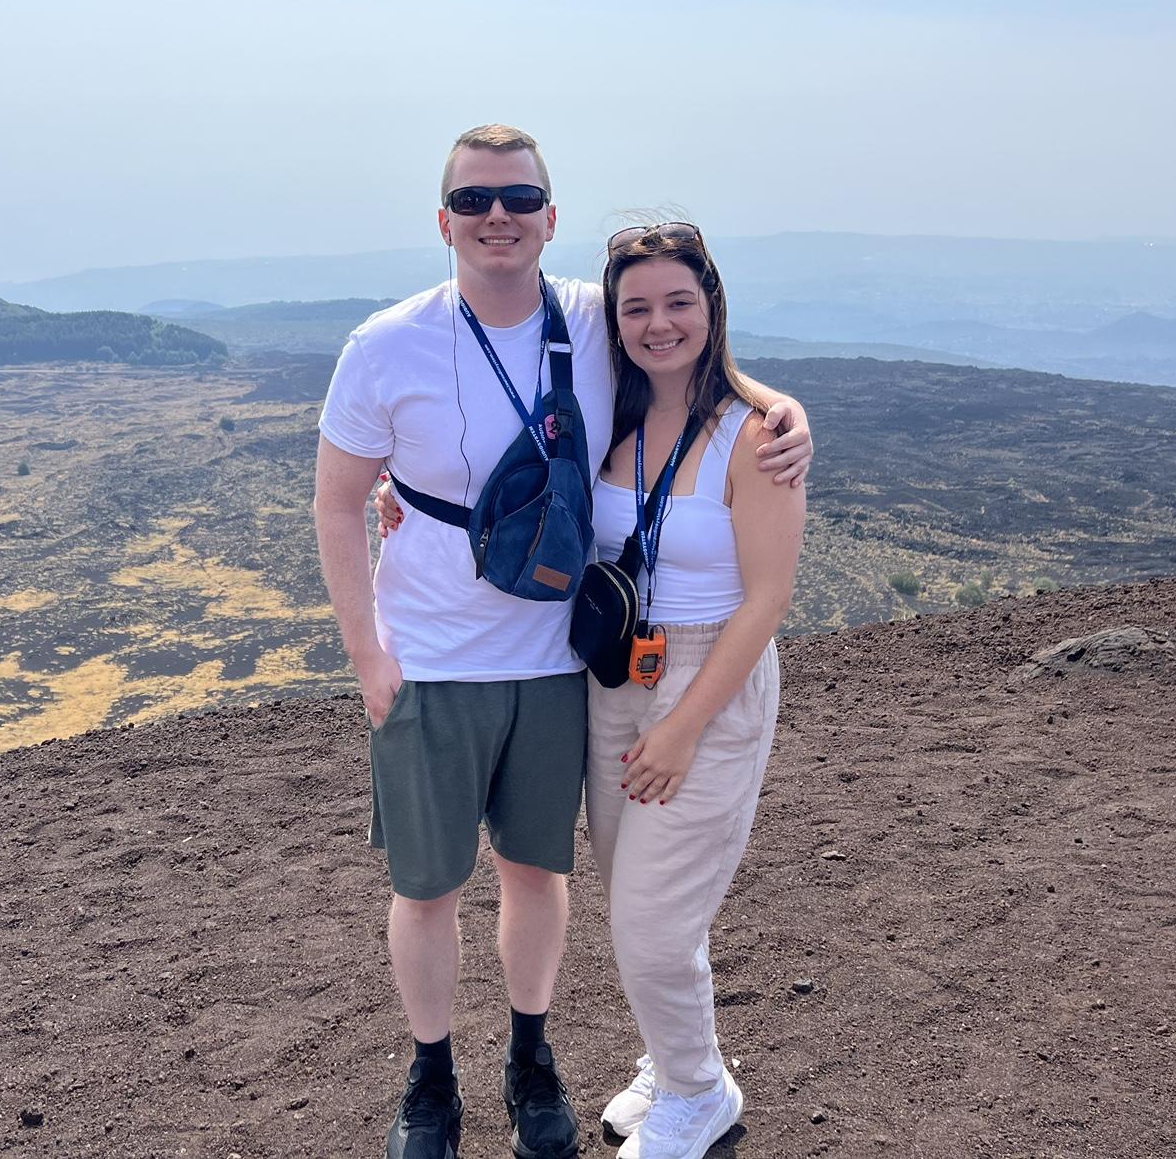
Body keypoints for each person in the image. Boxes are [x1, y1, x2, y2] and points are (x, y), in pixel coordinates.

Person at [313, 125, 811, 1159]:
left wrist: (782, 407)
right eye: (477, 200)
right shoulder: (386, 344)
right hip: (451, 663)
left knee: (555, 881)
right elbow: (338, 503)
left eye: (520, 197)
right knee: (429, 887)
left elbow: (688, 344)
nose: (499, 216)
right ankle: (433, 1081)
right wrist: (368, 653)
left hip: (557, 664)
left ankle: (543, 1063)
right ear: (446, 219)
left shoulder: (589, 315)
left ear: (548, 215)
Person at [584, 222, 806, 1158]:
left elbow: (769, 598)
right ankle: (674, 1057)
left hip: (708, 679)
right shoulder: (606, 412)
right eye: (636, 306)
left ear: (713, 305)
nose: (658, 322)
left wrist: (680, 727)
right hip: (613, 678)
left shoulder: (758, 435)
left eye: (679, 301)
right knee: (633, 898)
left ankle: (697, 1093)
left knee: (652, 920)